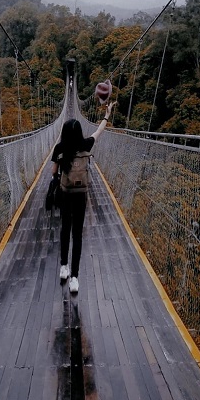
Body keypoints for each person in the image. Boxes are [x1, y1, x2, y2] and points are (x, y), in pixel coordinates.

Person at [51, 92, 116, 294]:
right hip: (81, 194)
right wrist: (107, 114)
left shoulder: (59, 147)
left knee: (65, 228)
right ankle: (75, 279)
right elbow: (99, 131)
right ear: (79, 132)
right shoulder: (86, 143)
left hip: (65, 193)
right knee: (77, 234)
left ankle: (64, 267)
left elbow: (53, 172)